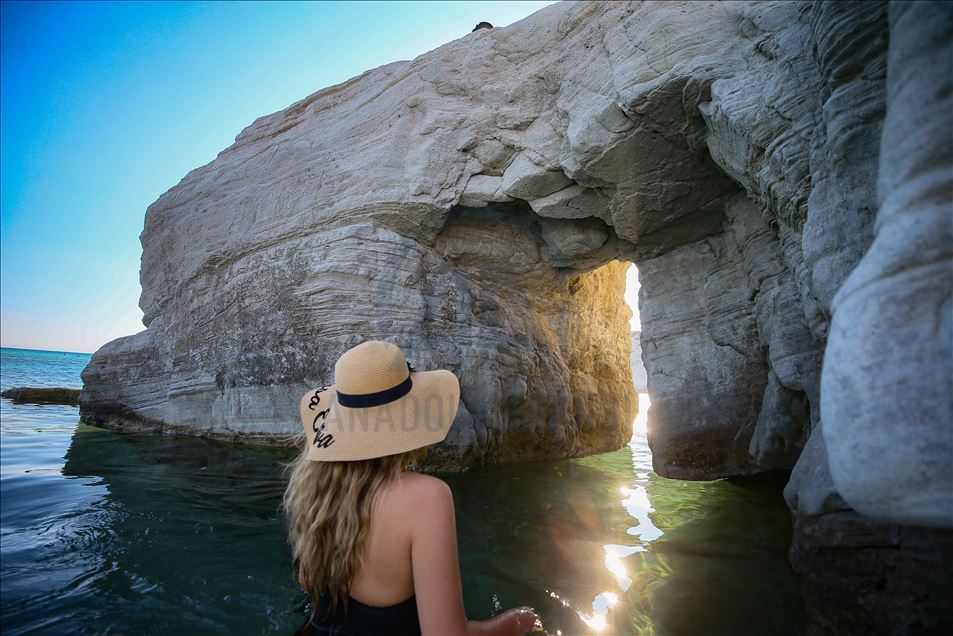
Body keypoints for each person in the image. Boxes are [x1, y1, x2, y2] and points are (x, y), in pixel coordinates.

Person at [284, 340, 541, 636]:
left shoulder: (314, 490)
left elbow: (307, 583)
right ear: (408, 414)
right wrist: (516, 622)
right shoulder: (428, 497)